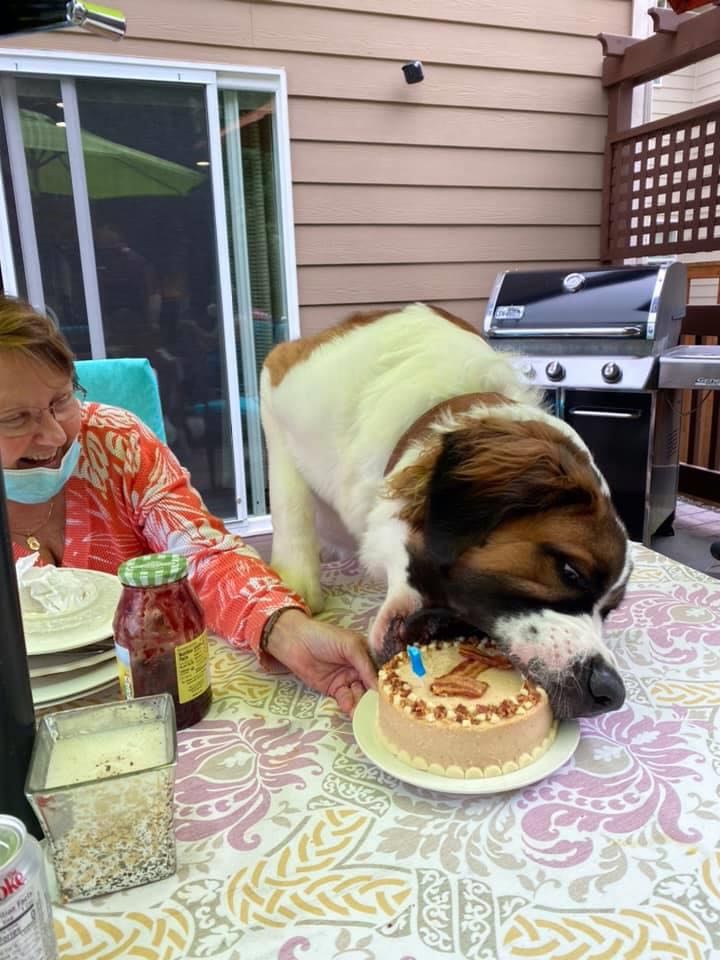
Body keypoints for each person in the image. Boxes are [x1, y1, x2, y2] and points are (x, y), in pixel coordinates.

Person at [0, 295, 376, 716]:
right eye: (16, 419)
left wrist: (286, 631)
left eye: (61, 400)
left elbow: (204, 554)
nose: (53, 435)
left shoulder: (114, 441)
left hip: (156, 702)